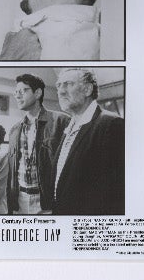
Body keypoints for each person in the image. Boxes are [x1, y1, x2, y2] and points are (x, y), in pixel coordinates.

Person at [51, 68, 126, 215]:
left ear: (87, 89)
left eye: (68, 84)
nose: (61, 91)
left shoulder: (112, 124)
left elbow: (116, 193)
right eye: (59, 85)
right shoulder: (69, 127)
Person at [4, 73, 68, 215]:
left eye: (22, 91)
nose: (17, 96)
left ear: (38, 93)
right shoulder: (15, 129)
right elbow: (12, 171)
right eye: (16, 92)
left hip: (47, 202)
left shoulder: (60, 121)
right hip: (19, 201)